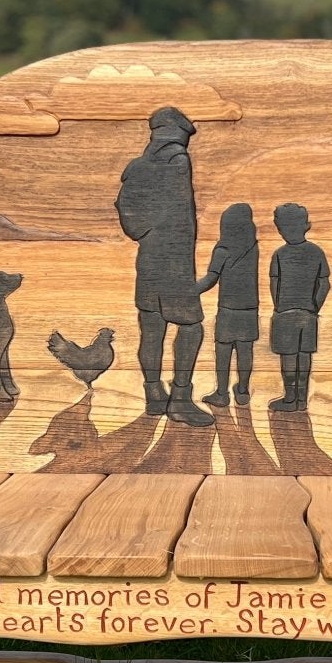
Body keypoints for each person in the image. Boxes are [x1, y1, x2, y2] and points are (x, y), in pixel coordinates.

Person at [115, 106, 213, 426]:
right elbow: (180, 218)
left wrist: (145, 234)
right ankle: (180, 399)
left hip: (148, 260)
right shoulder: (178, 162)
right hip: (175, 263)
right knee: (191, 327)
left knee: (152, 327)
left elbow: (126, 210)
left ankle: (154, 394)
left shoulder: (136, 166)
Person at [266, 202, 329, 413]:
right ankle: (301, 400)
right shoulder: (316, 252)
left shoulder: (279, 254)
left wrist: (279, 306)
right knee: (304, 356)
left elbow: (274, 283)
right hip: (308, 315)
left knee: (289, 357)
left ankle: (290, 398)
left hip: (285, 314)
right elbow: (324, 283)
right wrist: (314, 307)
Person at [197, 202, 259, 407]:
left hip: (228, 309)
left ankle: (222, 393)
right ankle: (243, 391)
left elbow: (210, 279)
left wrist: (190, 290)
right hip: (250, 309)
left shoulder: (223, 249)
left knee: (223, 350)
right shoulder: (253, 248)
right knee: (245, 351)